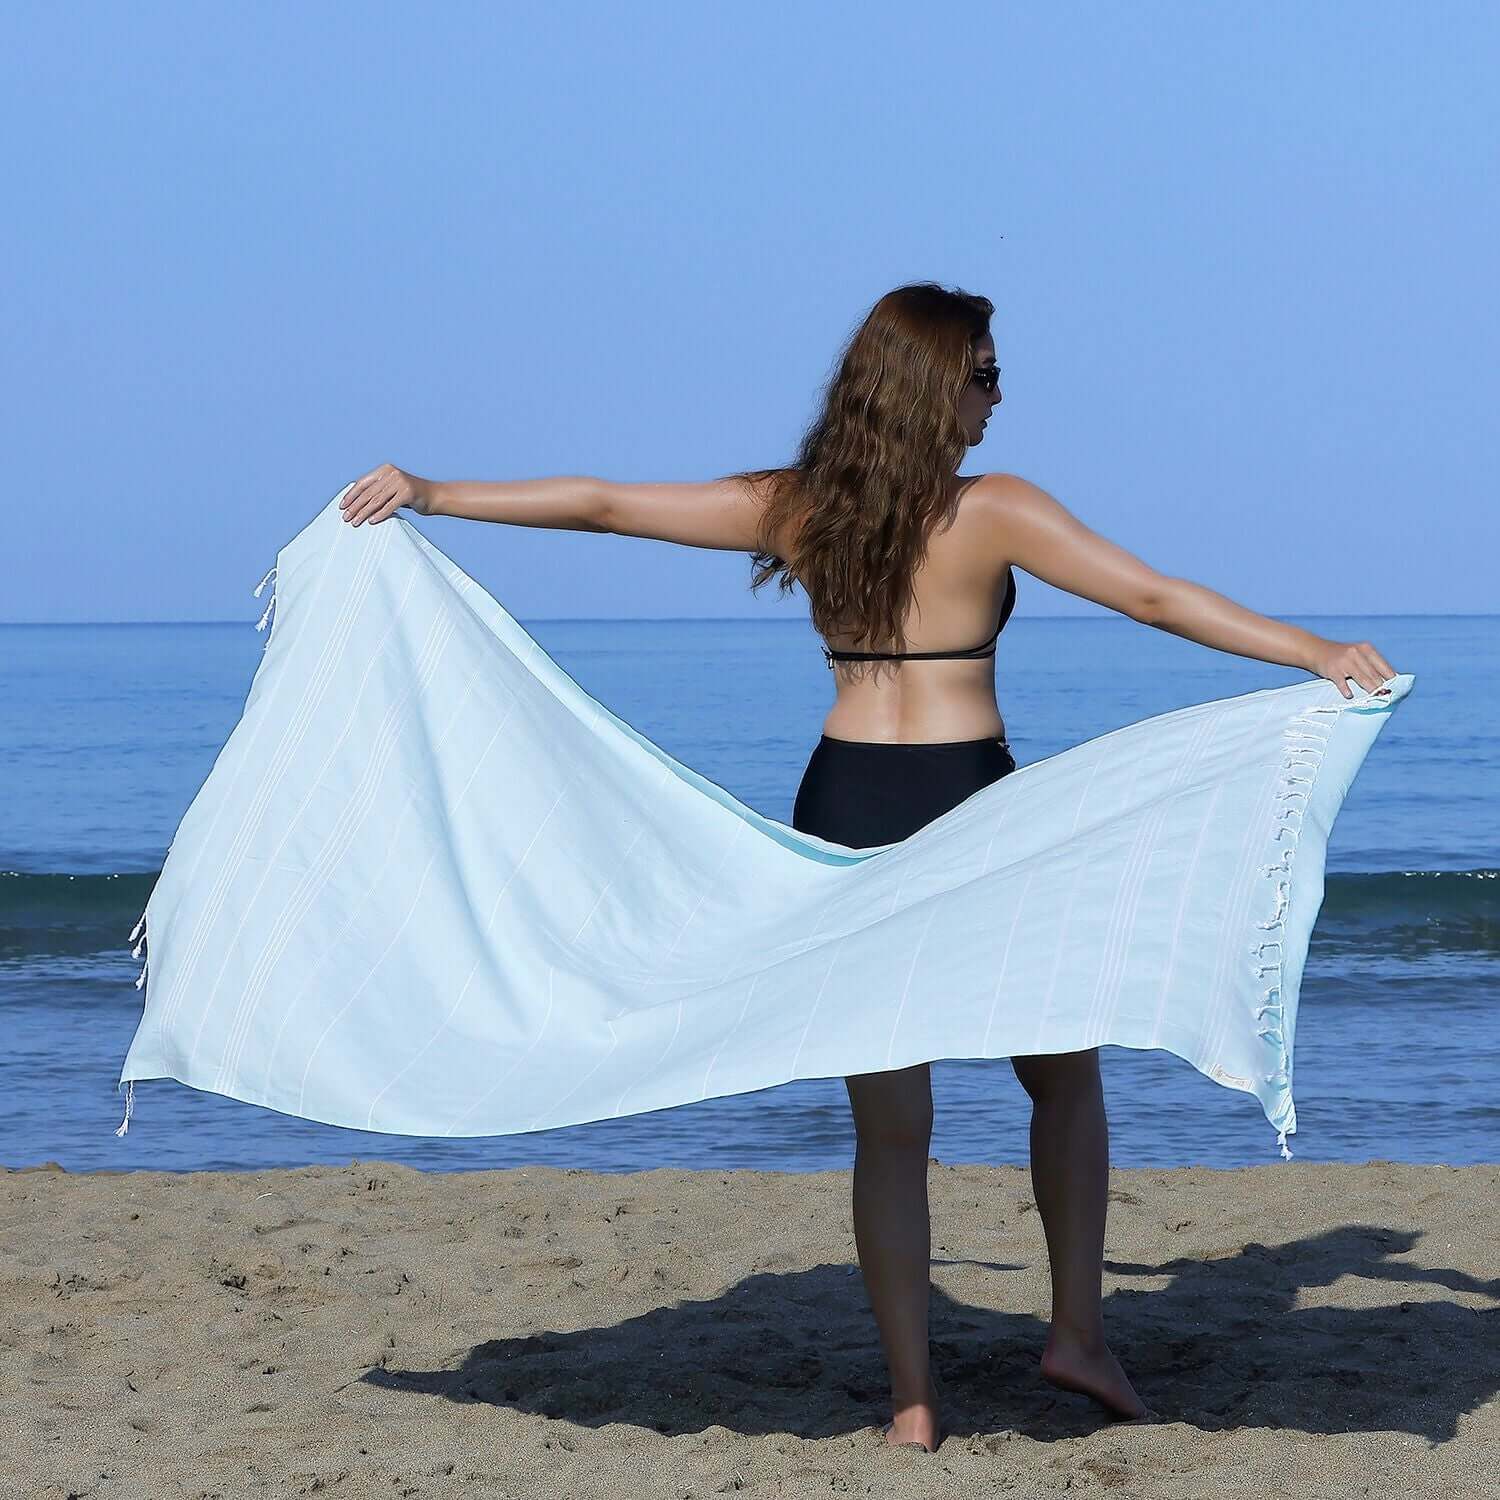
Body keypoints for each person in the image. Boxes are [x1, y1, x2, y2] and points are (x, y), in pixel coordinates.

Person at [336, 281, 1397, 1452]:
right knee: (1063, 1076)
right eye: (986, 373)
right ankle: (1077, 1334)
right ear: (939, 384)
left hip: (841, 803)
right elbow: (1150, 596)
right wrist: (1312, 651)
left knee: (892, 1129)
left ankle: (911, 1404)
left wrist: (432, 491)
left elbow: (600, 505)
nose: (1000, 394)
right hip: (970, 807)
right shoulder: (993, 510)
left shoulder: (794, 507)